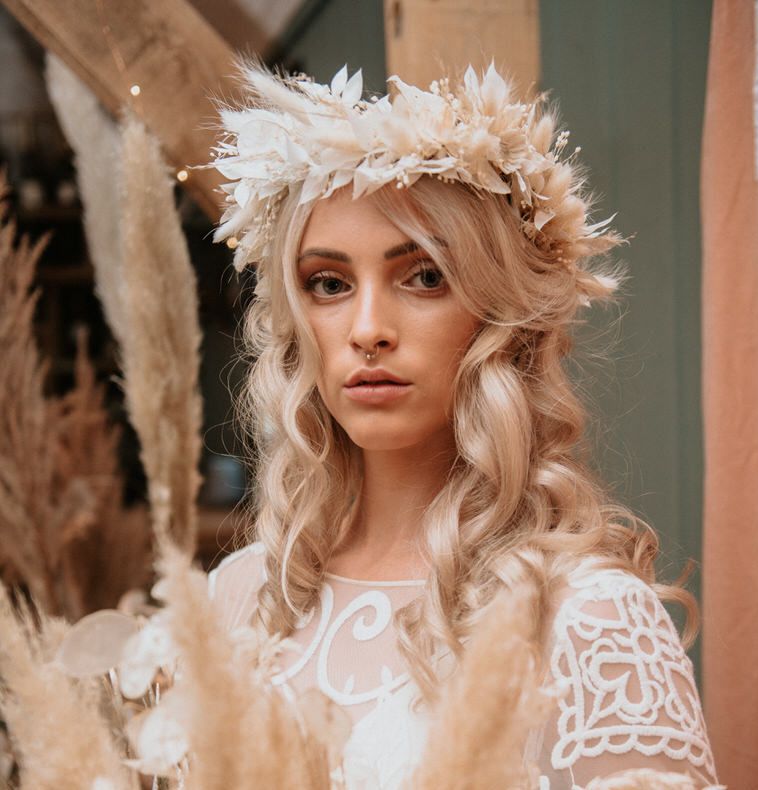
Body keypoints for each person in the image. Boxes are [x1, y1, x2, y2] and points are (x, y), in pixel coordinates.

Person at [205, 63, 718, 788]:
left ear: (500, 316)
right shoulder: (243, 597)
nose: (368, 330)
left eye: (424, 277)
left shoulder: (587, 619)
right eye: (329, 283)